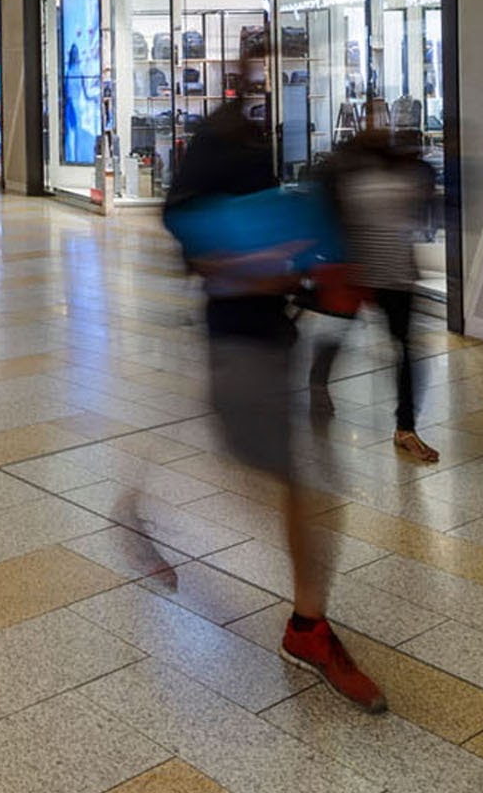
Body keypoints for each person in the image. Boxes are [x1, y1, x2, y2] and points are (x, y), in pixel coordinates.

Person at [165, 53, 385, 715]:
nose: (265, 94)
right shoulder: (213, 156)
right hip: (241, 353)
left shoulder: (245, 151)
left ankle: (306, 624)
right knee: (304, 490)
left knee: (302, 488)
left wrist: (308, 275)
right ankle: (307, 628)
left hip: (269, 346)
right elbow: (203, 256)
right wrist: (281, 273)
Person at [310, 99, 440, 462]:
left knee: (404, 350)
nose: (376, 123)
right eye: (369, 117)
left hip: (395, 272)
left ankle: (406, 427)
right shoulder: (344, 165)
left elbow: (423, 205)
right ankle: (317, 384)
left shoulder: (403, 164)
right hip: (354, 271)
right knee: (337, 335)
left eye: (381, 118)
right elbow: (325, 210)